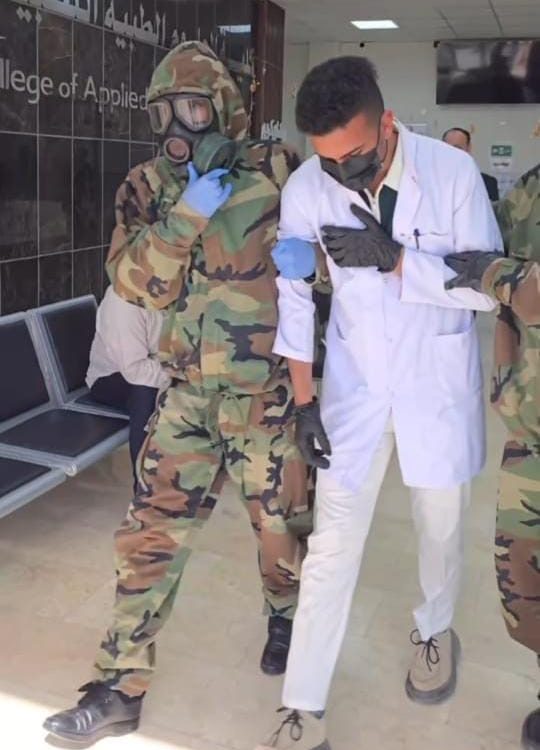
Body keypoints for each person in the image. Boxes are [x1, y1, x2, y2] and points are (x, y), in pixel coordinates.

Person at [44, 41, 309, 745]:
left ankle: (286, 619)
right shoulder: (147, 186)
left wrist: (314, 266)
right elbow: (136, 284)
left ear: (224, 109)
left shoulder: (279, 169)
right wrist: (185, 214)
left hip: (266, 397)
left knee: (281, 530)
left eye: (192, 108)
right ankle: (118, 686)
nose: (178, 126)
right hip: (187, 393)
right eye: (163, 112)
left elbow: (338, 271)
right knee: (147, 535)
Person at [256, 55, 503, 750]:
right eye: (329, 160)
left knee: (439, 525)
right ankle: (303, 706)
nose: (343, 174)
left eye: (356, 156)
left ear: (387, 123)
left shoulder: (451, 175)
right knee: (331, 544)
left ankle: (435, 631)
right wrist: (305, 399)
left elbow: (487, 287)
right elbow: (294, 298)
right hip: (354, 388)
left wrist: (395, 260)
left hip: (435, 380)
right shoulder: (308, 186)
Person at [444, 163, 540, 750]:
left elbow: (495, 269)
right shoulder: (532, 188)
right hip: (531, 431)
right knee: (523, 582)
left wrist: (497, 273)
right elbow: (476, 245)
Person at [86, 285, 170, 490]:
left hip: (164, 366)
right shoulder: (124, 301)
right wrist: (182, 372)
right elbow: (135, 371)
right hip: (111, 377)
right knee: (147, 393)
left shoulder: (186, 287)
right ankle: (145, 488)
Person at [442, 127, 500, 201]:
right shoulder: (433, 181)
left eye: (457, 148)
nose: (452, 153)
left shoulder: (487, 183)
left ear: (468, 148)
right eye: (447, 148)